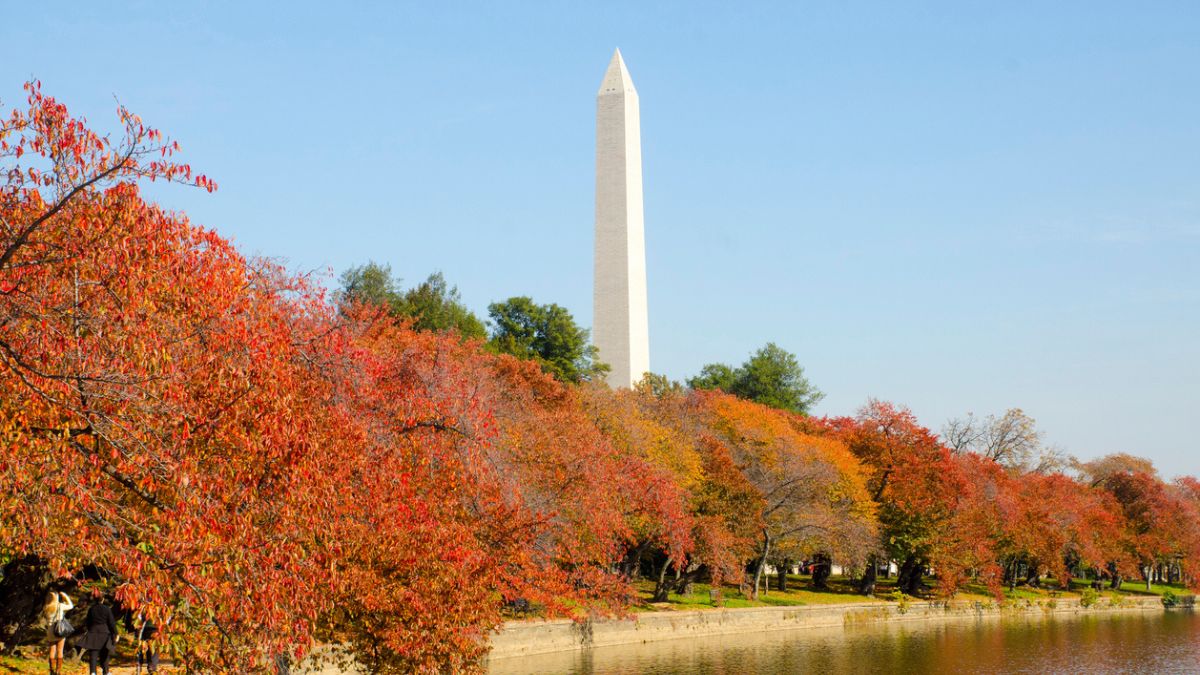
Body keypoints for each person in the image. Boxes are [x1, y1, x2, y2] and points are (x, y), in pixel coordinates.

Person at [77, 591, 118, 675]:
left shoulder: (91, 609)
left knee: (93, 654)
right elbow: (111, 623)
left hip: (93, 632)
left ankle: (93, 672)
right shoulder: (107, 609)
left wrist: (89, 629)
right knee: (105, 653)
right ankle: (106, 672)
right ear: (103, 599)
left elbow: (88, 621)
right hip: (104, 633)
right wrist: (116, 633)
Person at [41, 590, 74, 675]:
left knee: (52, 651)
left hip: (50, 631)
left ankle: (52, 671)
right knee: (60, 651)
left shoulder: (46, 607)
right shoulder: (60, 606)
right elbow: (71, 606)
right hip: (60, 630)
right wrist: (65, 596)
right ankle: (58, 671)